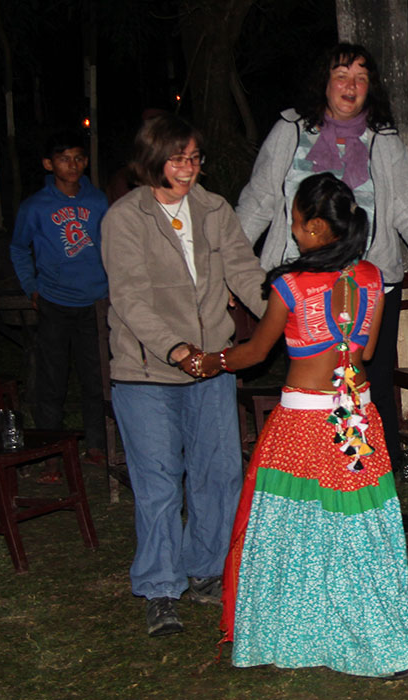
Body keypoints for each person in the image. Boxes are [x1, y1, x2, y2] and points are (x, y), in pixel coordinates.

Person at [187, 173, 408, 678]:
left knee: (292, 527)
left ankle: (298, 628)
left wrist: (211, 361)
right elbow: (361, 350)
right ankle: (371, 628)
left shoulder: (291, 285)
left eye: (296, 221)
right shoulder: (371, 277)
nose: (292, 230)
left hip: (303, 418)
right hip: (357, 418)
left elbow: (256, 352)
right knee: (358, 523)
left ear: (318, 228)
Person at [236, 43, 408, 484]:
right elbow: (258, 201)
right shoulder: (290, 130)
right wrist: (231, 262)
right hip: (295, 289)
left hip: (367, 287)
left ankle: (376, 487)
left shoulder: (384, 141)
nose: (350, 86)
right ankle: (315, 482)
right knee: (307, 389)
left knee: (372, 389)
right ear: (324, 81)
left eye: (360, 78)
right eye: (341, 75)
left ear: (370, 88)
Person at [100, 113, 269, 637]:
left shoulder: (214, 209)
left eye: (195, 158)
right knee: (158, 483)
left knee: (218, 474)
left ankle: (207, 571)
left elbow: (244, 271)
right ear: (152, 161)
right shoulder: (125, 219)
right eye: (178, 159)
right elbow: (129, 297)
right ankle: (159, 587)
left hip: (212, 363)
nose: (189, 168)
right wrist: (176, 349)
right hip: (147, 370)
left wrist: (290, 313)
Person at [9, 130, 109, 477]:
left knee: (96, 375)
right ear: (49, 164)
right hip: (53, 300)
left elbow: (110, 243)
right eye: (65, 159)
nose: (73, 165)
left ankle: (97, 444)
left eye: (79, 158)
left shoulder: (98, 201)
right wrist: (31, 286)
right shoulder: (35, 206)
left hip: (95, 301)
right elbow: (19, 247)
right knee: (51, 379)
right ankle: (50, 452)